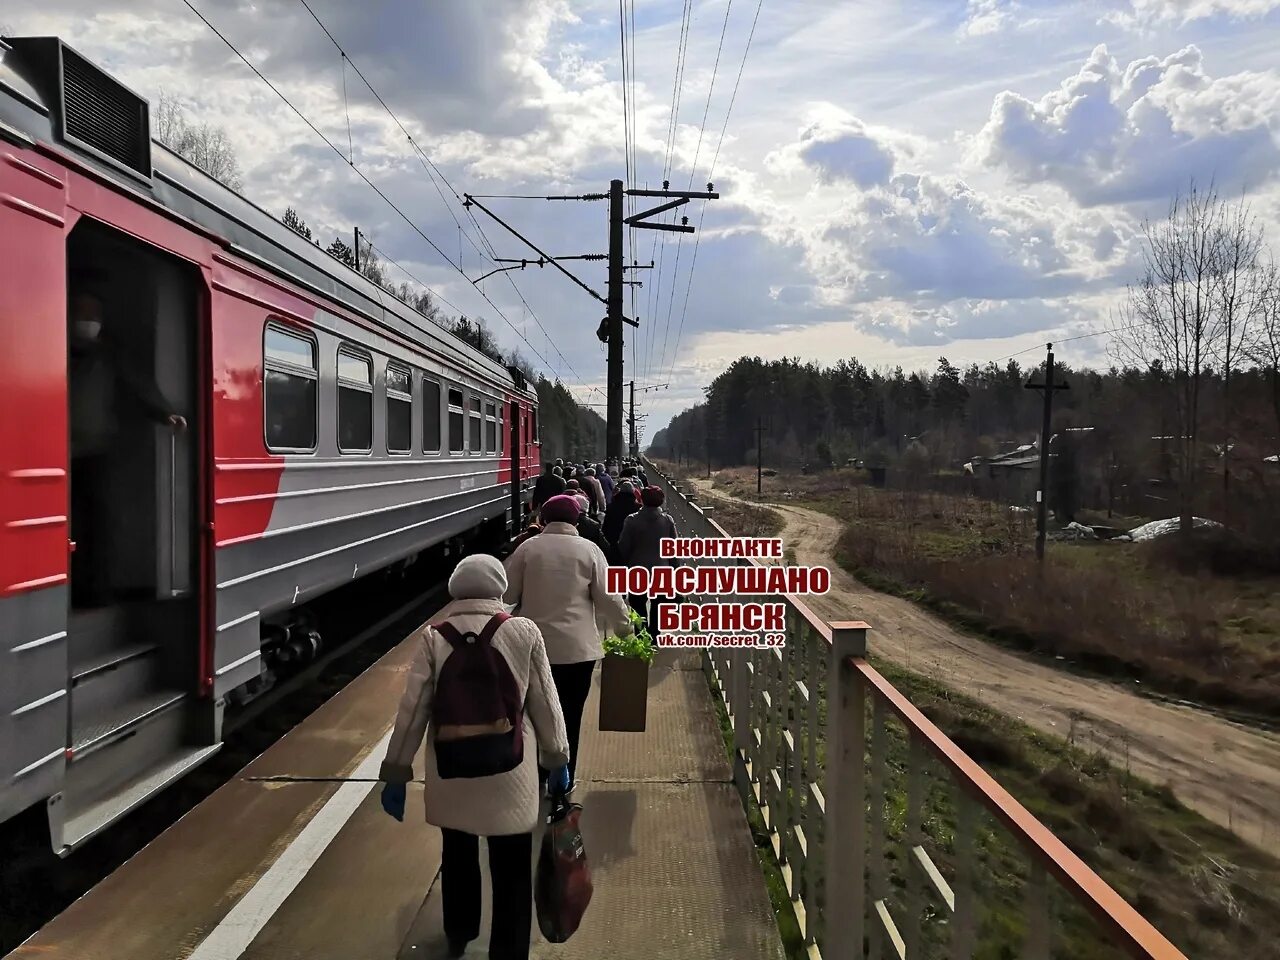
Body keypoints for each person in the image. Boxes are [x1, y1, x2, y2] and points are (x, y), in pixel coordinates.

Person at [378, 554, 569, 960]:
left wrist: (396, 771)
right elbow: (545, 704)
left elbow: (413, 710)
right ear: (499, 586)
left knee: (458, 854)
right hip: (511, 771)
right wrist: (557, 758)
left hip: (452, 768)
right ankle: (509, 949)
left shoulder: (435, 636)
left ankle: (460, 931)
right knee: (512, 866)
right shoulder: (522, 631)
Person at [504, 495, 631, 792]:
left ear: (544, 519)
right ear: (576, 520)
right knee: (570, 713)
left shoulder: (528, 549)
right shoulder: (590, 550)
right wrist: (625, 630)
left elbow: (507, 594)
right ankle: (565, 777)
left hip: (534, 650)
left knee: (535, 713)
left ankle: (536, 773)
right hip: (578, 652)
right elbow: (609, 598)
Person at [68, 291, 185, 607]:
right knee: (70, 525)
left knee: (98, 524)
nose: (87, 323)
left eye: (92, 317)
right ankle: (70, 590)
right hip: (61, 454)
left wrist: (163, 412)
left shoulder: (108, 356)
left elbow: (137, 385)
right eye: (82, 315)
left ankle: (96, 592)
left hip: (95, 451)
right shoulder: (57, 350)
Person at [618, 486, 679, 643]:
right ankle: (655, 634)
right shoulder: (667, 520)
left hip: (637, 568)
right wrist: (675, 568)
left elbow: (624, 546)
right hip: (661, 569)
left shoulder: (631, 520)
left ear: (641, 499)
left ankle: (641, 634)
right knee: (659, 604)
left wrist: (625, 563)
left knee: (638, 603)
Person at [602, 478, 641, 558]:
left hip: (614, 540)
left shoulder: (611, 506)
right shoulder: (638, 508)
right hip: (633, 543)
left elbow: (605, 526)